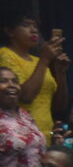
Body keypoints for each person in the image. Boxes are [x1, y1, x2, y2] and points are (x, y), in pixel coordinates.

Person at [0, 15, 64, 143]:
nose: (33, 30)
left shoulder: (38, 61)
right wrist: (45, 59)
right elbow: (25, 97)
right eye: (26, 25)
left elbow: (59, 106)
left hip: (46, 135)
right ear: (10, 31)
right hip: (19, 136)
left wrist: (60, 73)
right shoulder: (5, 54)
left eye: (35, 26)